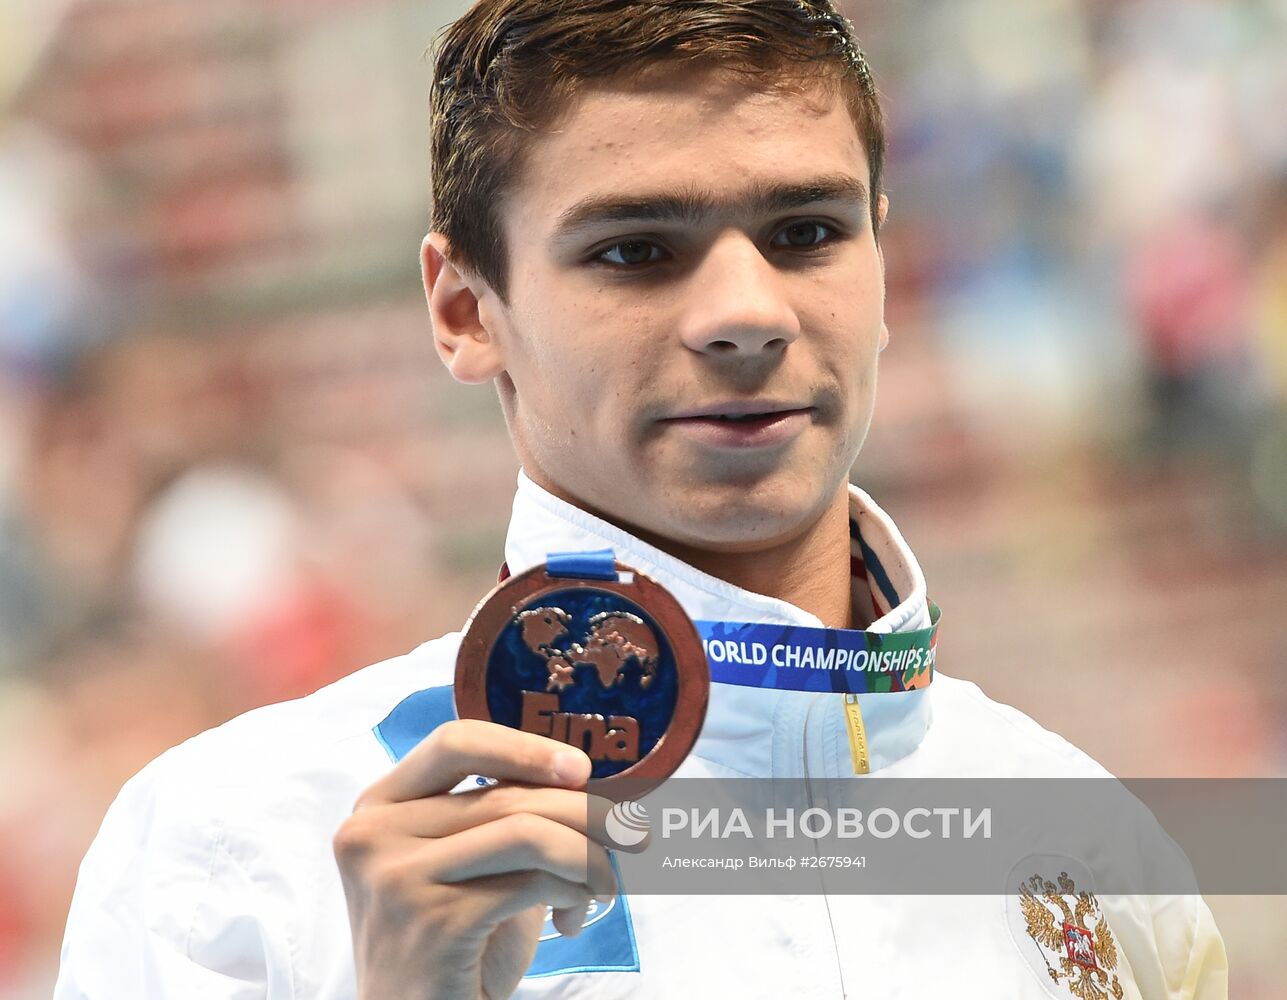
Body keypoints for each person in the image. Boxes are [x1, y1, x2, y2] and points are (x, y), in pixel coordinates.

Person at [55, 1, 1227, 997]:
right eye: (635, 251)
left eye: (807, 232)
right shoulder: (228, 846)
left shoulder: (1090, 835)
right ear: (466, 310)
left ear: (880, 265)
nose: (746, 312)